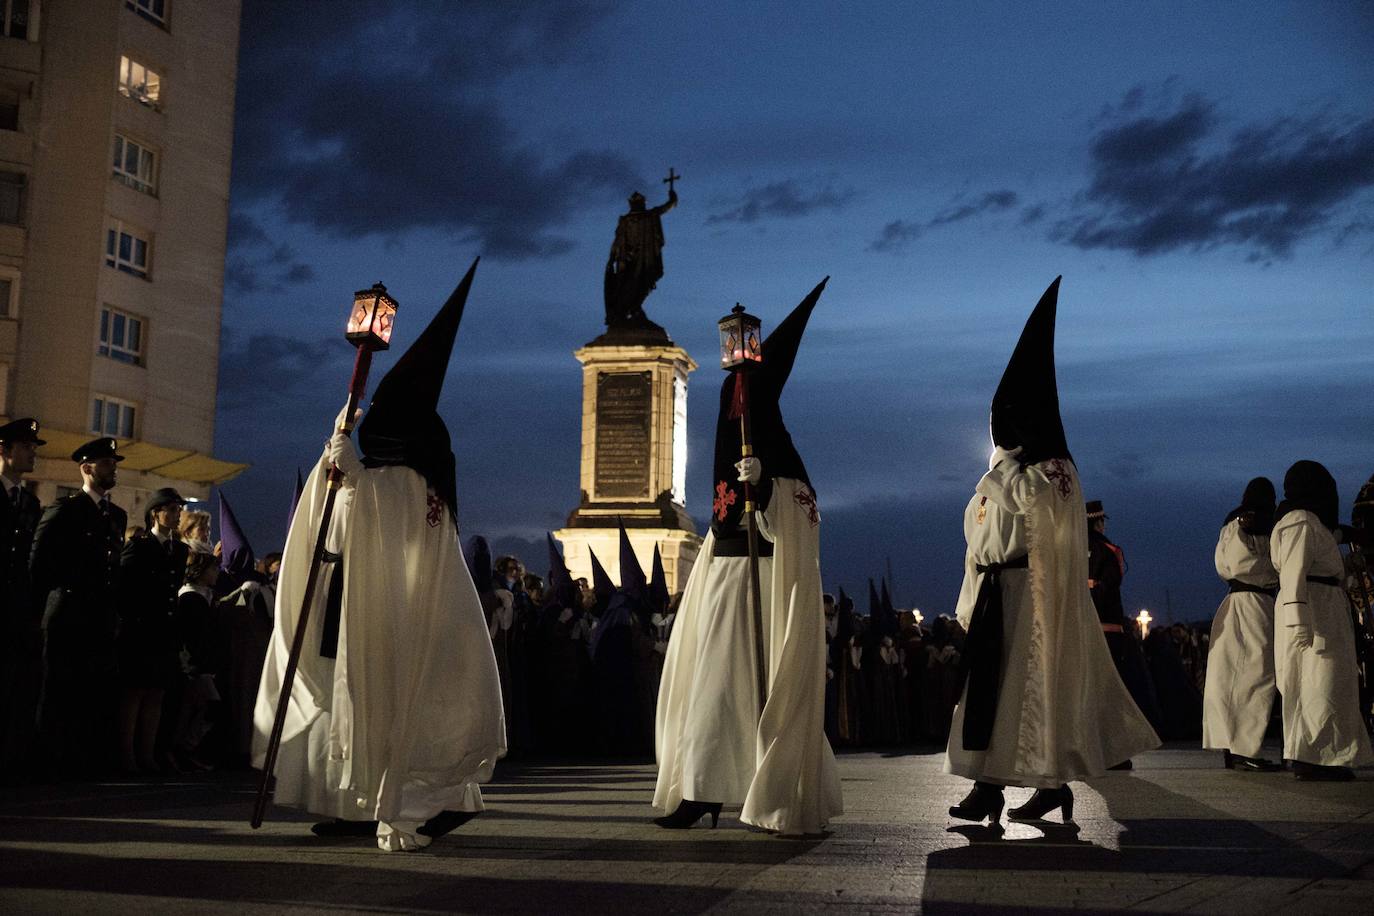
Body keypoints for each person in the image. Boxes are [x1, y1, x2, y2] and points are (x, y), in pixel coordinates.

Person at [254, 262, 505, 850]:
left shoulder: (410, 482)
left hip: (385, 606)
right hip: (361, 593)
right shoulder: (407, 478)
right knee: (370, 699)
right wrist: (332, 461)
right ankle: (360, 803)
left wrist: (348, 470)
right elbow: (343, 510)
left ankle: (394, 802)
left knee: (385, 699)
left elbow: (373, 515)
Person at [945, 277, 1159, 828]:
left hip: (1031, 595)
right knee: (993, 695)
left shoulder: (1052, 469)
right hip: (997, 594)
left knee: (1031, 693)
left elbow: (1042, 515)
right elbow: (977, 539)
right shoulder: (998, 473)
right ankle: (993, 789)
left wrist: (1004, 475)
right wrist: (969, 595)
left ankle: (1034, 785)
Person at [654, 278, 843, 834]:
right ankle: (705, 787)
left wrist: (771, 490)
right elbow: (720, 505)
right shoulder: (729, 417)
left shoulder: (781, 449)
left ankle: (765, 784)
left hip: (763, 573)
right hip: (725, 566)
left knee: (751, 684)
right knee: (713, 679)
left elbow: (806, 509)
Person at [1269, 460, 1374, 780]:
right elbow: (1293, 572)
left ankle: (1325, 755)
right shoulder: (1299, 522)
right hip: (1313, 611)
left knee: (1327, 683)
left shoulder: (1309, 522)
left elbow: (1326, 544)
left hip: (1323, 607)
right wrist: (1299, 620)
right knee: (1318, 683)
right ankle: (1314, 757)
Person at [30, 437, 128, 777]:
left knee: (92, 689)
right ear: (86, 469)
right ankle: (49, 761)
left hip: (99, 615)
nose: (112, 468)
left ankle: (83, 759)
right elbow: (38, 564)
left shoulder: (115, 515)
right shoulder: (65, 510)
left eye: (114, 463)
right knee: (59, 688)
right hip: (68, 612)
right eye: (105, 463)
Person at [1202, 478, 1283, 771]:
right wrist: (1275, 570)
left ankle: (1236, 745)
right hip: (1254, 601)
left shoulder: (1232, 524)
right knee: (1256, 673)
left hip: (1237, 602)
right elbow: (1241, 564)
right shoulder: (1247, 524)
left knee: (1234, 676)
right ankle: (1245, 749)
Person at [117, 487, 190, 774]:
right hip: (140, 631)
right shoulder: (140, 546)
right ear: (155, 514)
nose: (176, 515)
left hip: (163, 632)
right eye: (171, 510)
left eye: (178, 510)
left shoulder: (179, 550)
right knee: (134, 693)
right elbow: (126, 588)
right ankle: (127, 756)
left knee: (156, 694)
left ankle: (147, 754)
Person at [1086, 499, 1163, 766]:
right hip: (1109, 631)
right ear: (1099, 522)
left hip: (1080, 631)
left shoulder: (1068, 551)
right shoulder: (1109, 551)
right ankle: (1115, 754)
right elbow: (1109, 588)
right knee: (1112, 692)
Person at [0, 418, 44, 781]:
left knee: (14, 689)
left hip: (17, 610)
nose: (33, 453)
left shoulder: (30, 503)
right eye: (26, 446)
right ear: (4, 450)